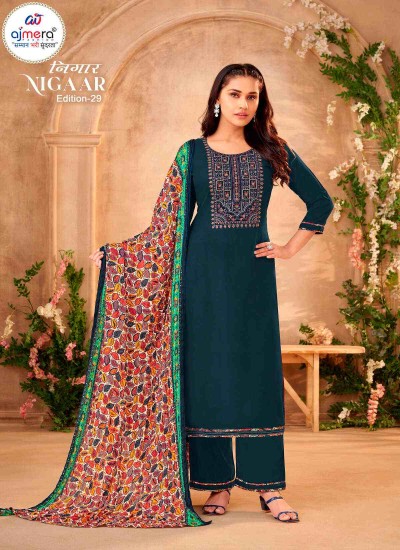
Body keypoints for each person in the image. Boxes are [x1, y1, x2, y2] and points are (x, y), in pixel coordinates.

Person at [0, 63, 333, 527]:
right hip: (200, 279)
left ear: (261, 103)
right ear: (217, 98)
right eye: (234, 94)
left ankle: (268, 487)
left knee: (255, 374)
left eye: (252, 96)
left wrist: (288, 249)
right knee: (207, 377)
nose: (243, 104)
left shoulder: (271, 151)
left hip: (253, 281)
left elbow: (321, 201)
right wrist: (120, 255)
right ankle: (217, 482)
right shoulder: (191, 154)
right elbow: (165, 224)